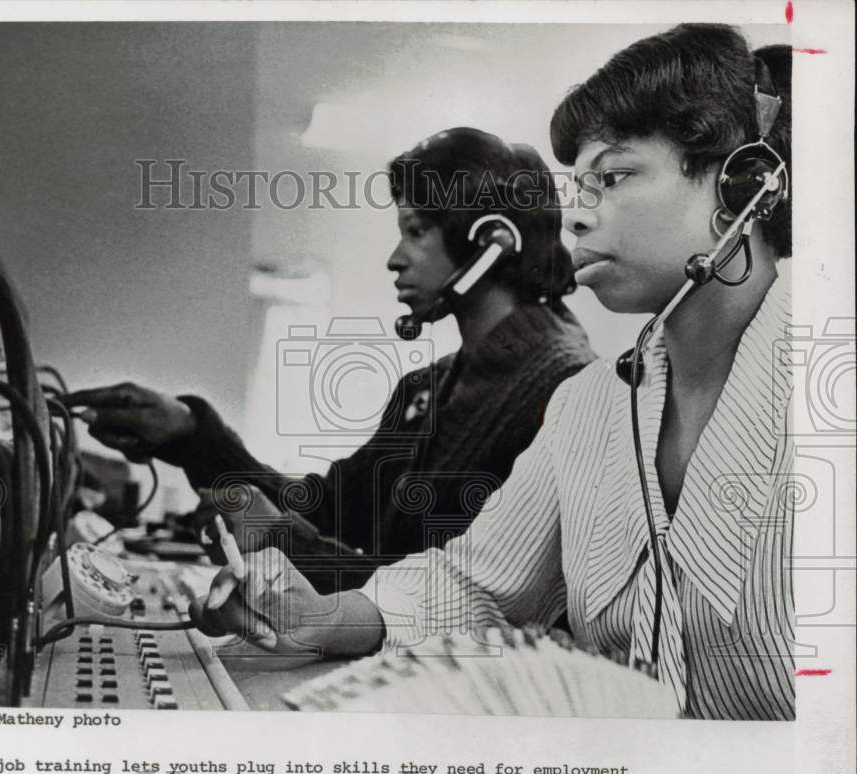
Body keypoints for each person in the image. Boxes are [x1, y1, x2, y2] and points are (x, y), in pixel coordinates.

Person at [188, 24, 796, 722]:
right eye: (579, 182)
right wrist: (320, 617)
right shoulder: (589, 406)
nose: (577, 214)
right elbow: (473, 586)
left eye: (615, 176)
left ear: (745, 184)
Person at [65, 128, 595, 592]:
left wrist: (282, 540)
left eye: (415, 232)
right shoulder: (426, 388)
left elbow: (457, 595)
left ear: (491, 243)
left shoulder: (565, 389)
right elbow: (328, 509)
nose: (395, 258)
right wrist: (188, 434)